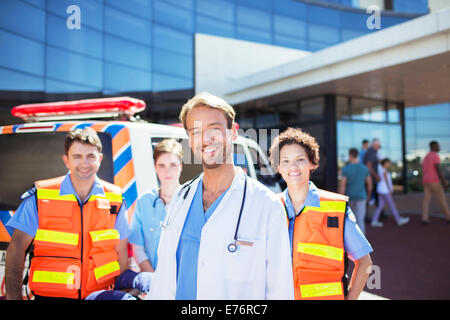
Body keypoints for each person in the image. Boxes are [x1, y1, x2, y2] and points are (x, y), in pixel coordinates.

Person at [145, 92, 294, 300]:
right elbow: (163, 278)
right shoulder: (180, 198)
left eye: (214, 129)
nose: (206, 139)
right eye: (196, 132)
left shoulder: (267, 206)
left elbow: (280, 292)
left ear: (233, 133)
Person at [5, 127, 131, 300]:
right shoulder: (41, 196)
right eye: (77, 157)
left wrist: (123, 290)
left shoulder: (115, 198)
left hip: (99, 295)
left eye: (90, 156)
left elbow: (121, 253)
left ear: (100, 159)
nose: (84, 164)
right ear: (67, 161)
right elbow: (17, 248)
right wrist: (14, 297)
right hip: (50, 297)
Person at [270, 128, 373, 300]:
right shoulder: (270, 207)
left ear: (312, 163)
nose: (293, 167)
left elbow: (365, 263)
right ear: (278, 167)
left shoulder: (336, 209)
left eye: (300, 160)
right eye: (285, 161)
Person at [129, 139, 183, 272]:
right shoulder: (144, 202)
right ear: (155, 167)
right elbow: (138, 248)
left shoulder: (191, 200)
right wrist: (154, 280)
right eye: (161, 165)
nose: (167, 171)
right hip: (153, 279)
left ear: (180, 166)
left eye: (173, 165)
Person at [339, 148, 372, 234]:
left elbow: (343, 185)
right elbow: (369, 184)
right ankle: (362, 243)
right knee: (360, 220)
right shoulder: (364, 168)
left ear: (350, 155)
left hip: (350, 197)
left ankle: (352, 242)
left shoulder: (346, 169)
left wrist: (341, 198)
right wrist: (369, 195)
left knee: (350, 220)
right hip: (362, 197)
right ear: (357, 155)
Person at [370, 158, 410, 227]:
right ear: (385, 163)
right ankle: (398, 220)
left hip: (380, 190)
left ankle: (374, 220)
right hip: (385, 191)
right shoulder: (383, 170)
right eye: (388, 163)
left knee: (380, 206)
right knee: (392, 205)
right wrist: (390, 190)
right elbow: (387, 181)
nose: (389, 164)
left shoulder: (380, 169)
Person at [421, 141, 450, 224]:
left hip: (426, 180)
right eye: (437, 146)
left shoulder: (426, 156)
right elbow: (438, 169)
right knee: (442, 199)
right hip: (434, 180)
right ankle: (448, 216)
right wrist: (444, 181)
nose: (439, 147)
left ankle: (424, 218)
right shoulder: (435, 156)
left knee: (426, 200)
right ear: (433, 146)